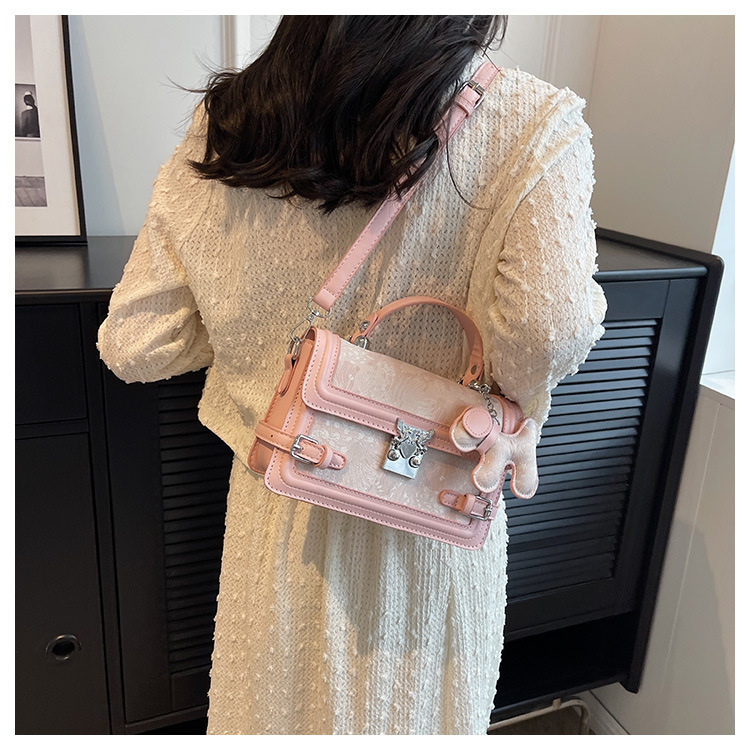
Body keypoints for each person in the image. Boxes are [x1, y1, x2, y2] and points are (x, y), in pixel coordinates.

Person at [97, 16, 607, 735]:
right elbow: (550, 328)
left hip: (279, 504)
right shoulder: (533, 123)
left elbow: (136, 343)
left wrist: (266, 338)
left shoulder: (232, 121)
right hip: (435, 513)